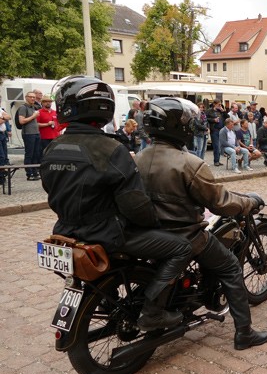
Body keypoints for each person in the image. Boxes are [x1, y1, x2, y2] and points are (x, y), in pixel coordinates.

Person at [40, 75, 192, 332]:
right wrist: (154, 223)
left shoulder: (52, 147)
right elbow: (134, 202)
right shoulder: (110, 149)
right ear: (103, 107)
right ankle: (153, 312)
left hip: (65, 230)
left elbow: (51, 190)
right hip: (107, 234)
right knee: (181, 248)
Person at [137, 97, 267, 350]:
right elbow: (219, 202)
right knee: (231, 267)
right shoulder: (190, 163)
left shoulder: (139, 158)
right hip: (185, 235)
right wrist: (248, 202)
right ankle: (244, 333)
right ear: (179, 127)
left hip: (151, 235)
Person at [17, 91, 41, 180]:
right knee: (29, 154)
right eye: (31, 97)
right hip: (28, 134)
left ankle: (35, 172)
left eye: (34, 97)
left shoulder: (33, 107)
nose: (33, 98)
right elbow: (21, 121)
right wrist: (33, 116)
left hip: (36, 133)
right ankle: (29, 173)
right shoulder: (23, 107)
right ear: (26, 97)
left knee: (36, 154)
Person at [206, 99, 226, 166]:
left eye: (220, 104)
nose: (220, 106)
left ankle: (218, 160)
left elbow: (227, 117)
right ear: (214, 104)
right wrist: (213, 120)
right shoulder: (209, 111)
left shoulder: (220, 111)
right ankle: (216, 161)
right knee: (216, 146)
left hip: (221, 130)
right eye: (219, 104)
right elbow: (206, 119)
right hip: (214, 130)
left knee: (220, 146)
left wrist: (223, 111)